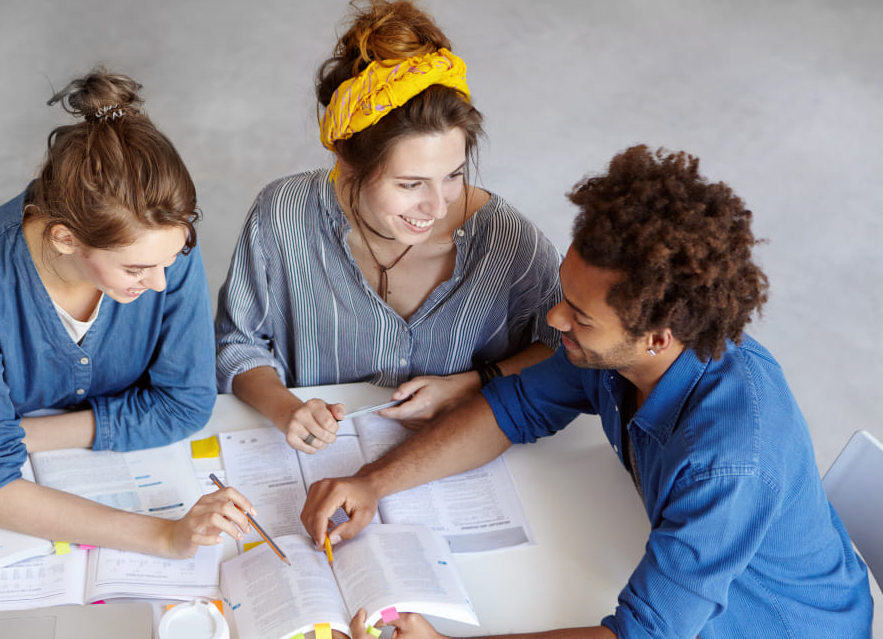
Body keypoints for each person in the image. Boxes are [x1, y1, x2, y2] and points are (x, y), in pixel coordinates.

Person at [301, 146, 874, 638]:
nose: (555, 320)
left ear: (656, 337)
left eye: (579, 315)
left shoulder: (728, 462)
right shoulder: (614, 352)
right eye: (565, 297)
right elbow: (513, 409)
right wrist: (373, 483)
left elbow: (642, 635)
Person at [0, 68, 255, 559]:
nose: (160, 283)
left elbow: (185, 404)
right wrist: (165, 536)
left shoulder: (163, 245)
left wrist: (16, 435)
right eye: (136, 269)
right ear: (65, 239)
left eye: (170, 260)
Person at [215, 0, 561, 453]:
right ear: (347, 162)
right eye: (411, 184)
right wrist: (286, 409)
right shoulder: (281, 215)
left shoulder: (509, 242)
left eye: (453, 175)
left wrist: (473, 384)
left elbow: (565, 347)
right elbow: (239, 343)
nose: (436, 206)